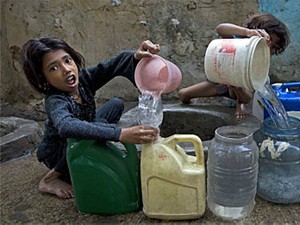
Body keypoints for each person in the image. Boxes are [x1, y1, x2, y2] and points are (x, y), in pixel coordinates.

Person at [21, 35, 160, 199]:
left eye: (67, 61)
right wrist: (119, 134)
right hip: (60, 152)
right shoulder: (55, 100)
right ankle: (51, 178)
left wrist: (136, 56)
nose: (66, 69)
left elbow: (113, 65)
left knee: (116, 104)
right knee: (90, 135)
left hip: (83, 126)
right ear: (43, 79)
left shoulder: (83, 80)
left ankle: (98, 128)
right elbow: (67, 126)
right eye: (53, 68)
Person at [178, 13, 290, 118]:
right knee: (183, 94)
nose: (269, 48)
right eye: (268, 41)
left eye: (273, 47)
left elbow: (248, 97)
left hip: (239, 89)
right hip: (221, 83)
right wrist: (248, 32)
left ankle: (239, 103)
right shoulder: (239, 44)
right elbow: (221, 28)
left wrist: (236, 89)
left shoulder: (260, 65)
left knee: (250, 84)